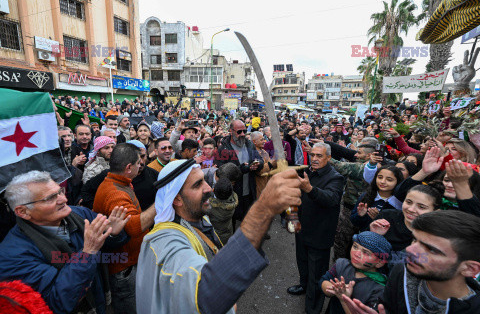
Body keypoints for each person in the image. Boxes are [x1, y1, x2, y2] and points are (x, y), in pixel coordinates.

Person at [136, 159, 302, 313]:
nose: (208, 188)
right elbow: (206, 294)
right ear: (177, 199)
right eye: (197, 185)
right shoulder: (163, 240)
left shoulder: (200, 218)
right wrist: (264, 208)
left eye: (204, 180)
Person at [0, 171, 130, 314]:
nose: (63, 199)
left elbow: (110, 247)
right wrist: (87, 253)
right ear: (23, 211)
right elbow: (59, 301)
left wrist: (112, 234)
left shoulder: (79, 214)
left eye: (60, 192)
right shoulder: (12, 256)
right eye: (50, 198)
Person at [342, 210, 480, 314]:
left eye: (431, 249)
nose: (410, 250)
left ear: (470, 269)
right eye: (415, 240)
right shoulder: (402, 271)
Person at [93, 143, 157, 313]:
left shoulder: (121, 182)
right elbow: (134, 227)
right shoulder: (116, 194)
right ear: (129, 168)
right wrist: (161, 203)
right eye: (138, 162)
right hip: (124, 271)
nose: (141, 165)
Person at [288, 143, 345, 314]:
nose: (314, 159)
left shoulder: (336, 178)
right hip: (302, 228)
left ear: (328, 158)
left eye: (319, 156)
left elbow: (331, 199)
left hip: (319, 234)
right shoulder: (308, 171)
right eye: (312, 155)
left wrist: (310, 189)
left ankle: (313, 308)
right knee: (303, 263)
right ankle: (303, 286)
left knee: (317, 273)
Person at [320, 231, 392, 314]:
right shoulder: (342, 264)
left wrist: (344, 299)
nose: (356, 254)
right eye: (355, 246)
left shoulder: (379, 290)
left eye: (365, 252)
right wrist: (334, 289)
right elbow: (323, 281)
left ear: (379, 263)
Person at [214, 120, 264, 224]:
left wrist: (258, 164)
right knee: (231, 223)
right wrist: (241, 169)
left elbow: (260, 159)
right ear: (231, 131)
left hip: (249, 191)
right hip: (232, 193)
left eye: (244, 131)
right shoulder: (223, 148)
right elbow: (221, 171)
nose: (242, 134)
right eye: (239, 132)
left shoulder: (249, 144)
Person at [208, 176, 238, 244]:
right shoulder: (232, 199)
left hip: (217, 236)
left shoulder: (211, 208)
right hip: (228, 232)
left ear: (214, 190)